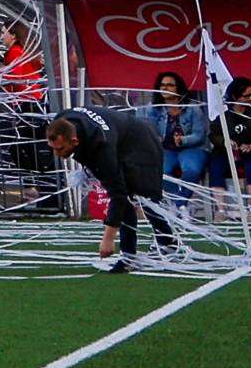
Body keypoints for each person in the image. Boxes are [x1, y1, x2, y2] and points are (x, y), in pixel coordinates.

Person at [43, 103, 179, 269]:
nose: (57, 154)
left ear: (74, 141)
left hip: (141, 143)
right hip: (120, 136)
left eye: (61, 149)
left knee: (141, 195)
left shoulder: (101, 146)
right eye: (53, 149)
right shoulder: (61, 124)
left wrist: (108, 239)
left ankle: (158, 243)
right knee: (128, 195)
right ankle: (136, 252)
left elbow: (118, 194)